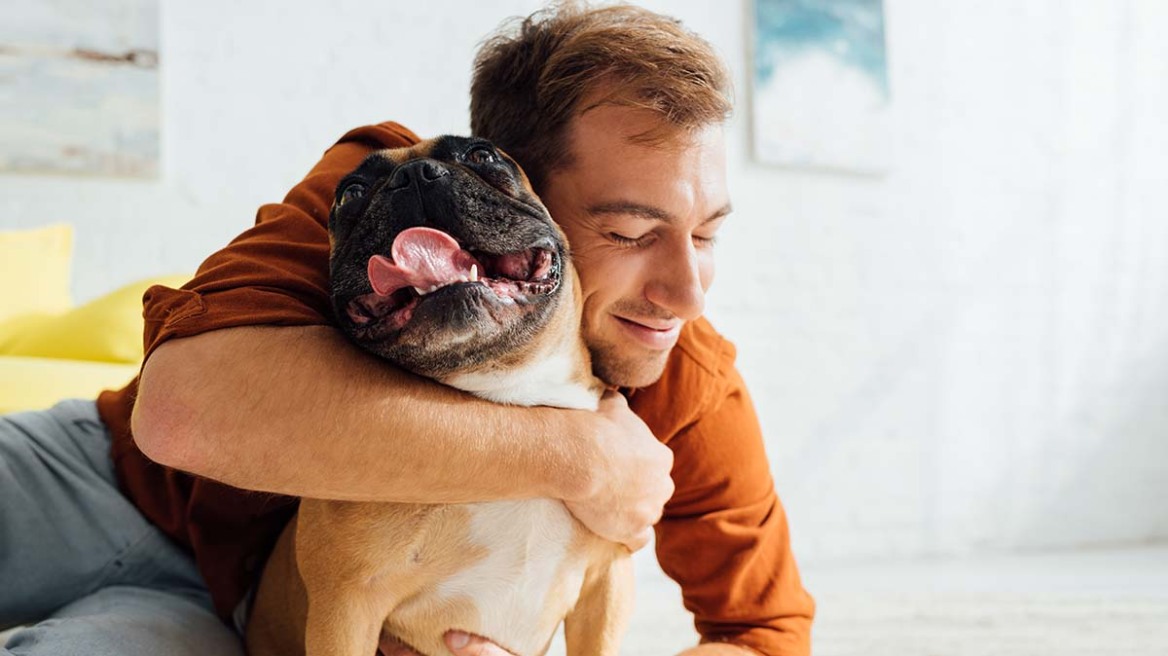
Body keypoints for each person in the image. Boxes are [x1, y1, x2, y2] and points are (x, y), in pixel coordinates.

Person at [0, 3, 814, 656]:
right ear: (514, 193)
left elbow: (763, 631)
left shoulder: (680, 369)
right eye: (630, 232)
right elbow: (180, 414)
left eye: (706, 233)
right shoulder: (388, 197)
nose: (686, 294)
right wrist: (581, 459)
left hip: (257, 618)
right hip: (109, 475)